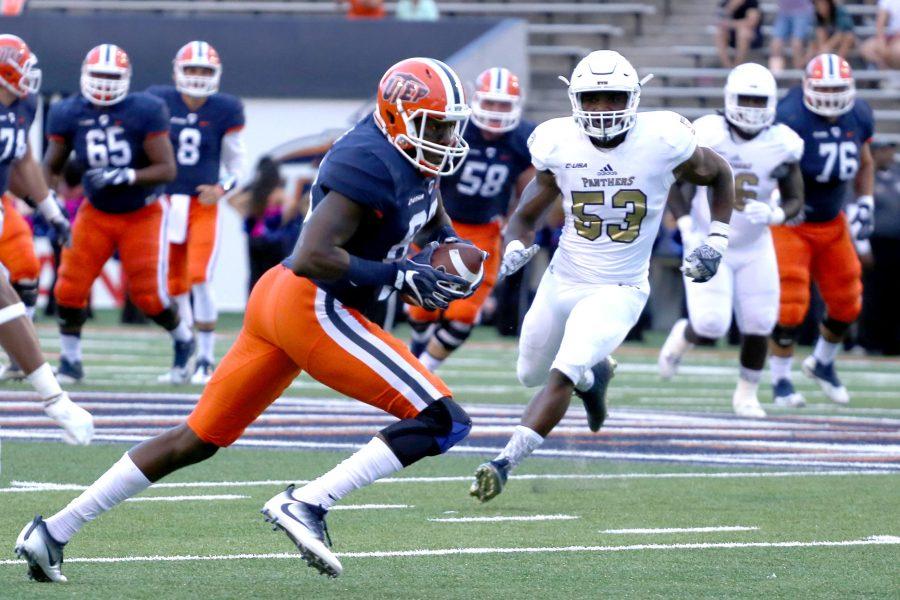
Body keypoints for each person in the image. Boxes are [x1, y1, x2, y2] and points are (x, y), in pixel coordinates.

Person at [15, 56, 479, 581]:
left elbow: (426, 203)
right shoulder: (369, 160)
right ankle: (308, 503)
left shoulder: (410, 155)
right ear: (397, 116)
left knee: (197, 439)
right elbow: (310, 254)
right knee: (445, 419)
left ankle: (53, 530)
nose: (445, 136)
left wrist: (447, 242)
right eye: (436, 124)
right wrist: (398, 274)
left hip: (283, 302)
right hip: (313, 301)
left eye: (449, 125)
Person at [469, 50, 736, 503]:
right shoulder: (558, 143)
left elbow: (721, 173)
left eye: (612, 96)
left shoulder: (663, 139)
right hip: (563, 277)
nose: (602, 109)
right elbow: (523, 216)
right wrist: (514, 246)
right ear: (575, 100)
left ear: (633, 98)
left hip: (620, 287)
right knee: (528, 373)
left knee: (561, 373)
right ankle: (595, 378)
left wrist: (717, 239)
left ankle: (504, 462)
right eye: (592, 98)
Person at [659, 63, 805, 418]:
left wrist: (777, 215)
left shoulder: (782, 142)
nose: (752, 109)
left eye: (760, 101)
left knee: (760, 321)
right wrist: (684, 222)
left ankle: (746, 395)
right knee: (711, 324)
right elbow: (673, 180)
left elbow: (794, 197)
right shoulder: (708, 133)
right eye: (746, 99)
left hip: (755, 244)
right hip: (708, 239)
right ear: (729, 98)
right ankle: (685, 335)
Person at [45, 44, 193, 384]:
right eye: (99, 75)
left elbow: (167, 169)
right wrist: (48, 201)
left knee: (148, 297)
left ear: (126, 79)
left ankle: (183, 340)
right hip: (95, 212)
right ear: (84, 75)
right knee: (68, 288)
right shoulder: (67, 113)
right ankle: (70, 363)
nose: (105, 83)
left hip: (142, 212)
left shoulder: (145, 110)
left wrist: (129, 175)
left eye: (112, 76)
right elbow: (49, 165)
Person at [408, 67, 535, 372]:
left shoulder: (524, 140)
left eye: (503, 105)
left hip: (485, 231)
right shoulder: (454, 128)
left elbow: (528, 194)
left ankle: (422, 370)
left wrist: (518, 230)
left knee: (465, 313)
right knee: (421, 306)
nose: (495, 111)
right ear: (476, 100)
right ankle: (417, 353)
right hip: (437, 224)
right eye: (490, 103)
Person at [0, 34, 93, 444]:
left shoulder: (23, 104)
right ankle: (55, 400)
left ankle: (55, 399)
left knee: (8, 295)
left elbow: (20, 156)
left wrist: (50, 209)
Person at [768, 53, 875, 407]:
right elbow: (770, 164)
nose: (830, 96)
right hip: (793, 223)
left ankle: (822, 363)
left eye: (837, 89)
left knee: (848, 301)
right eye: (824, 88)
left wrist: (866, 202)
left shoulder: (859, 113)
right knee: (791, 306)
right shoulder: (789, 115)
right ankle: (780, 381)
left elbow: (865, 161)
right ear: (807, 86)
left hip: (832, 220)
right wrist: (781, 202)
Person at [147, 41, 245, 384]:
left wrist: (222, 189)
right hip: (166, 203)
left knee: (200, 278)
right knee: (173, 285)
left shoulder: (226, 109)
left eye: (204, 70)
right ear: (177, 70)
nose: (198, 76)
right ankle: (185, 355)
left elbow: (236, 164)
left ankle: (205, 360)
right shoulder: (159, 101)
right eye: (192, 69)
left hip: (202, 205)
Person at [860, 138, 900, 355]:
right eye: (886, 150)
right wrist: (862, 244)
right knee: (875, 295)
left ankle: (894, 343)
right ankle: (871, 342)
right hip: (876, 243)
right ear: (874, 153)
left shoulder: (897, 174)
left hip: (897, 244)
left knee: (895, 295)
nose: (890, 155)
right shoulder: (866, 176)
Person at [769, 0, 814, 73]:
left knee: (796, 44)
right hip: (783, 12)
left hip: (802, 11)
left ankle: (798, 77)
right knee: (775, 45)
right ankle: (776, 76)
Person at [716, 0, 763, 68]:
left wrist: (730, 24)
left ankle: (737, 66)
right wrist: (731, 7)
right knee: (719, 32)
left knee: (743, 32)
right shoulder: (726, 3)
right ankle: (727, 66)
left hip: (751, 36)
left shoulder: (752, 2)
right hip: (732, 36)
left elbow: (751, 22)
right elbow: (720, 21)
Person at [861, 0, 900, 75]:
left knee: (898, 51)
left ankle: (890, 76)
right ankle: (887, 75)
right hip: (890, 36)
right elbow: (880, 22)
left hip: (896, 39)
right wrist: (881, 41)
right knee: (866, 49)